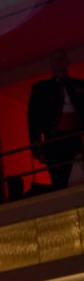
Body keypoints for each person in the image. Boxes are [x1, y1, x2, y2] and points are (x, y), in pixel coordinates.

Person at [28, 50, 84, 190]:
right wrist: (38, 150)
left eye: (61, 59)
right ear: (51, 64)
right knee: (60, 182)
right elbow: (33, 120)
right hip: (54, 142)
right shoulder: (41, 88)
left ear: (67, 61)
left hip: (78, 138)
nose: (58, 62)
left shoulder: (80, 85)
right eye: (55, 60)